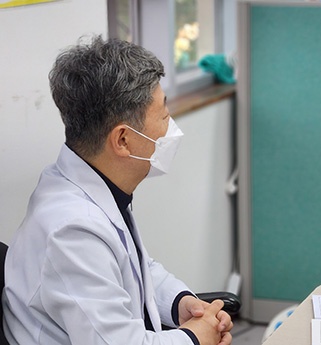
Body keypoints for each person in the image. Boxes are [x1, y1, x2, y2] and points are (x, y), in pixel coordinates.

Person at [2, 36, 233, 345]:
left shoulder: (89, 183)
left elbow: (133, 266)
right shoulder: (72, 229)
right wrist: (194, 338)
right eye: (164, 116)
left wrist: (180, 303)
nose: (171, 127)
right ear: (123, 140)